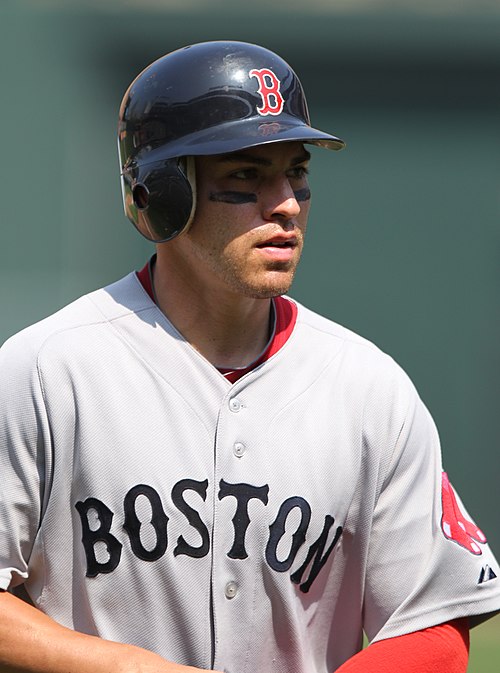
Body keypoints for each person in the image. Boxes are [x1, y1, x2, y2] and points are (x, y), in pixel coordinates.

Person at [0, 40, 498, 673]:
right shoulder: (47, 370)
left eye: (296, 172)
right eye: (247, 175)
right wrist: (123, 666)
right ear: (163, 193)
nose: (286, 202)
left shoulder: (369, 388)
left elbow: (439, 620)